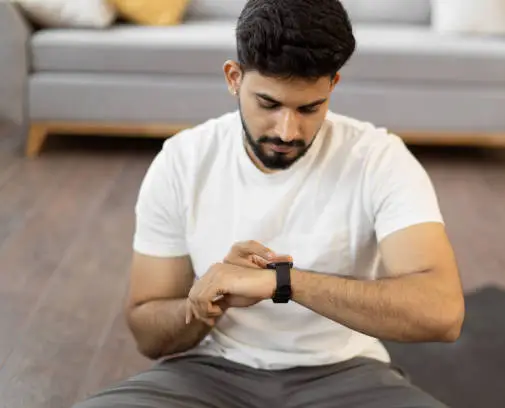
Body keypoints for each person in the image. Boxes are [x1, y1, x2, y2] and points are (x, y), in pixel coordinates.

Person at [73, 0, 464, 407]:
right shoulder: (182, 161)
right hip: (209, 373)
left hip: (345, 372)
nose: (288, 130)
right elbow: (147, 333)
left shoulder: (380, 158)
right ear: (234, 78)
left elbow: (443, 312)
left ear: (333, 85)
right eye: (269, 104)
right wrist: (208, 302)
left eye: (309, 108)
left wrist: (283, 282)